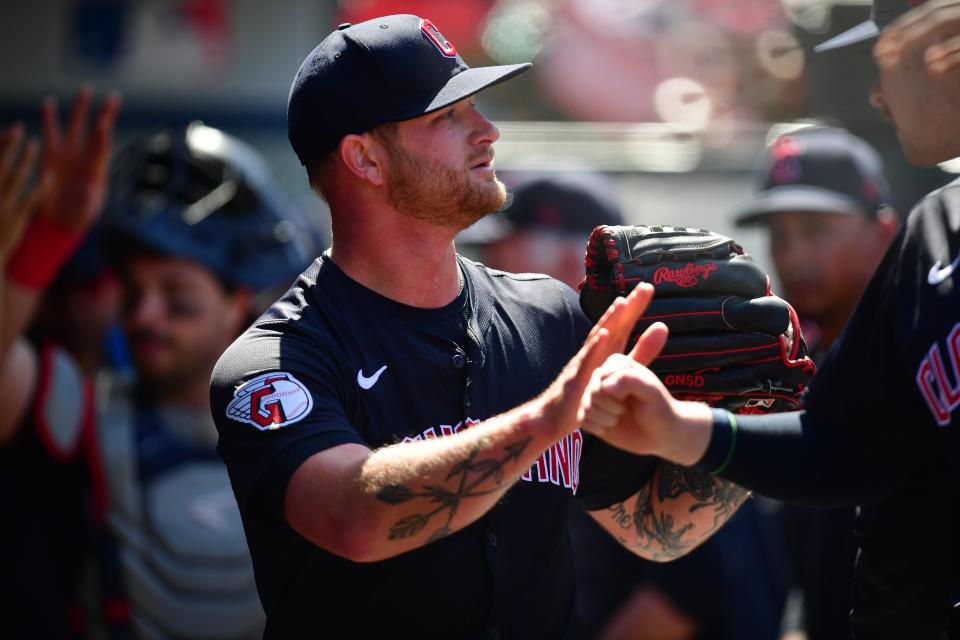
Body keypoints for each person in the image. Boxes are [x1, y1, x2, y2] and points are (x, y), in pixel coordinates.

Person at [210, 14, 750, 638]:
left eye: (477, 106)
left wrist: (751, 417)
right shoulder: (274, 362)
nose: (488, 131)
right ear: (365, 158)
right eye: (448, 116)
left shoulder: (546, 314)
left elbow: (656, 526)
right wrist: (544, 421)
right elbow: (355, 519)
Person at [577, 1, 960, 636]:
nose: (876, 93)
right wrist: (679, 428)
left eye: (887, 59)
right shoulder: (934, 235)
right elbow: (845, 449)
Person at [469, 170, 794, 640]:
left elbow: (689, 588)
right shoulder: (563, 372)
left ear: (570, 260)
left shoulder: (657, 376)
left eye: (502, 252)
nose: (491, 273)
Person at [89, 121, 317, 639]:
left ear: (240, 300)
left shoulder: (312, 424)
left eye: (178, 295)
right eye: (131, 290)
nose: (145, 315)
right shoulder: (85, 411)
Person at [733, 126, 899, 640]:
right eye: (780, 235)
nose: (794, 253)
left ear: (884, 232)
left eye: (817, 227)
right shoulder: (794, 367)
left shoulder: (922, 353)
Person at [0, 88, 121, 640]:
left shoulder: (152, 370)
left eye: (90, 287)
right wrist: (44, 245)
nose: (74, 307)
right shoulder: (40, 374)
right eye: (59, 289)